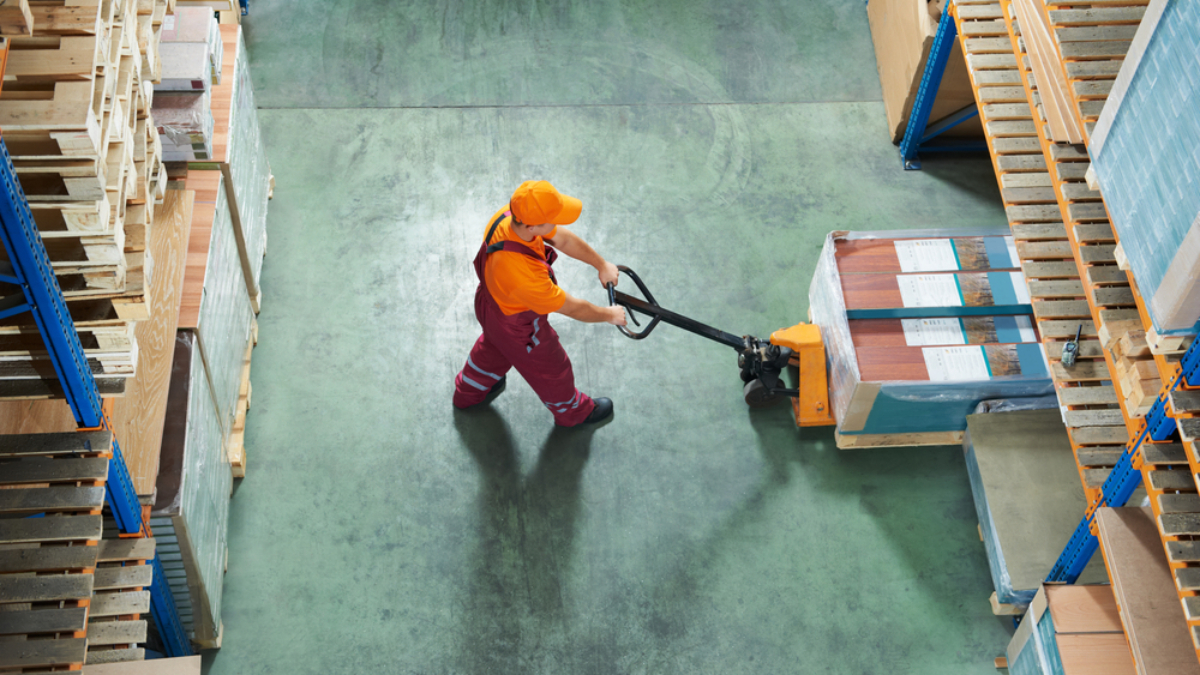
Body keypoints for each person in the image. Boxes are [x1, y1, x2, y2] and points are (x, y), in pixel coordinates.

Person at [452, 181, 627, 426]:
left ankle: (467, 393)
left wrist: (601, 264)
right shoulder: (525, 277)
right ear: (533, 225)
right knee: (552, 370)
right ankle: (573, 413)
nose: (557, 223)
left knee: (493, 347)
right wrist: (609, 315)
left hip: (490, 304)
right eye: (553, 218)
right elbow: (573, 308)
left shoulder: (509, 216)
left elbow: (562, 240)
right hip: (519, 330)